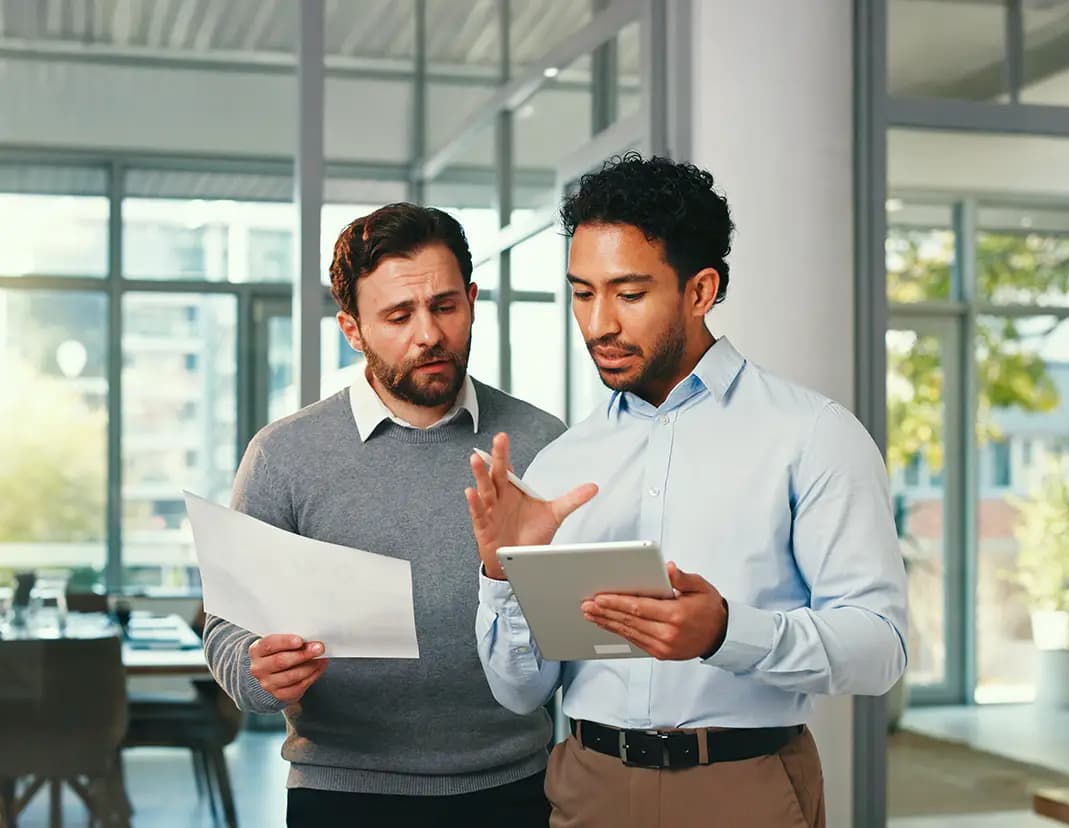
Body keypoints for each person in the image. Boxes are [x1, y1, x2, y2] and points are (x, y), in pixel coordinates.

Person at [467, 154, 908, 828]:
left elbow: (880, 648)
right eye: (582, 292)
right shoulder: (560, 465)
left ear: (700, 291)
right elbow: (520, 691)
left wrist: (728, 632)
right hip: (590, 788)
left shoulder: (813, 436)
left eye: (629, 293)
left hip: (744, 790)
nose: (597, 323)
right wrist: (502, 577)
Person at [203, 203, 565, 828]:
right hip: (341, 794)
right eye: (398, 316)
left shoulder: (541, 443)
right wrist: (260, 671)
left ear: (472, 301)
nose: (428, 334)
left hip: (515, 789)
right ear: (352, 328)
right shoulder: (283, 456)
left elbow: (570, 626)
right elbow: (226, 631)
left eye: (445, 306)